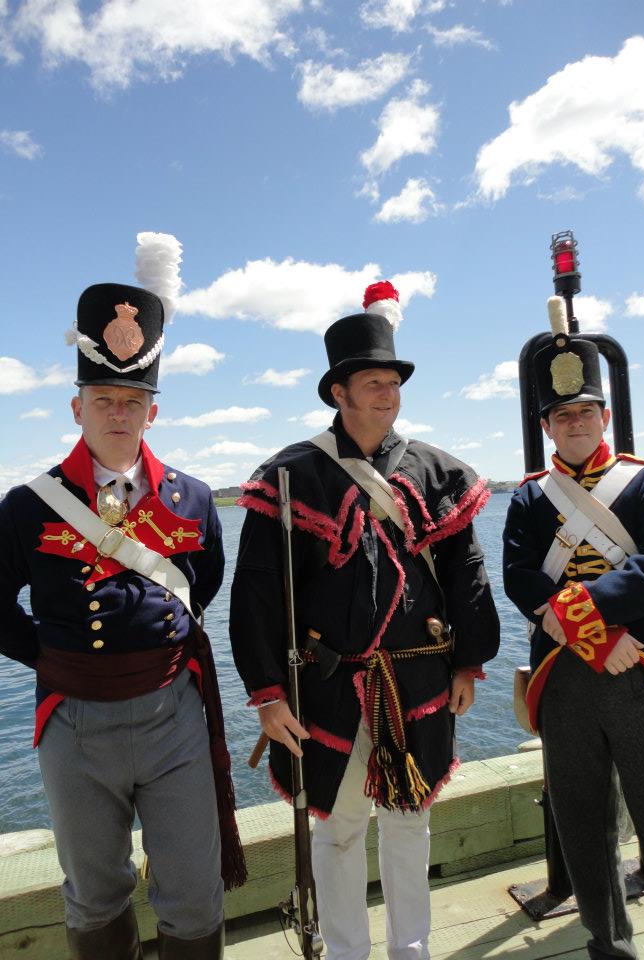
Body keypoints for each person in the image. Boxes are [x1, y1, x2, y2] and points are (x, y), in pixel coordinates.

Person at [230, 281, 500, 960]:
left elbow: (466, 576)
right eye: (371, 383)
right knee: (340, 830)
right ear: (338, 394)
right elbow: (256, 594)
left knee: (411, 826)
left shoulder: (437, 473)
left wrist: (470, 659)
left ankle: (412, 952)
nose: (386, 394)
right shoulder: (289, 477)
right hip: (328, 687)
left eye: (392, 382)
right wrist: (266, 693)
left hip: (419, 684)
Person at [0, 281, 244, 960]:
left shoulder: (192, 497)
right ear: (76, 407)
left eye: (131, 401)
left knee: (194, 891)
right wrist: (51, 658)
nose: (117, 412)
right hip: (74, 721)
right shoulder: (28, 504)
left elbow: (205, 584)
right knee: (95, 893)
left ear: (152, 412)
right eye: (103, 400)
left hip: (173, 715)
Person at [503, 327, 644, 959]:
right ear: (548, 425)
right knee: (586, 834)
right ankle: (610, 948)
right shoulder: (527, 498)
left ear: (605, 417)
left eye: (585, 411)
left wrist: (583, 616)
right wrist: (597, 640)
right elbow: (519, 576)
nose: (574, 422)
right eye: (562, 413)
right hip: (568, 681)